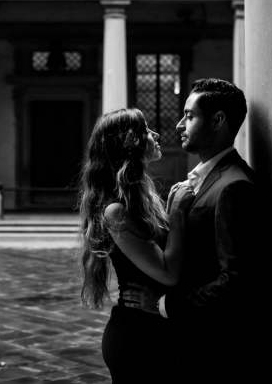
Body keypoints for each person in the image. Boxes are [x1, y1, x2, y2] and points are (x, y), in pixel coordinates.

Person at [121, 78, 263, 383]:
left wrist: (165, 305)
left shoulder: (234, 186)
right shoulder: (199, 182)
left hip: (211, 347)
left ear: (218, 121)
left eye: (189, 115)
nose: (178, 125)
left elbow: (235, 280)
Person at [76, 108, 195, 384]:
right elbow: (168, 273)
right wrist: (177, 213)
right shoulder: (115, 211)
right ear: (130, 143)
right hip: (135, 335)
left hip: (155, 325)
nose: (154, 134)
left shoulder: (142, 196)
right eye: (145, 130)